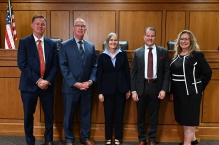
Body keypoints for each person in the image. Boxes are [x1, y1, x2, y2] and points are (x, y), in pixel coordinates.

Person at [17, 15, 59, 145]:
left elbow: (56, 65)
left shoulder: (52, 43)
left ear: (45, 26)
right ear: (32, 25)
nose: (40, 26)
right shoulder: (24, 42)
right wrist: (38, 80)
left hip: (48, 86)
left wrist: (47, 81)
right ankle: (30, 141)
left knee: (49, 115)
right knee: (29, 116)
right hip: (29, 86)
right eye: (37, 24)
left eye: (42, 24)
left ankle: (49, 140)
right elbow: (22, 64)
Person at [169, 30, 212, 145]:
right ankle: (192, 141)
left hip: (191, 94)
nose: (184, 41)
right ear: (178, 42)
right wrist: (172, 92)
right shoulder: (176, 56)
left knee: (189, 119)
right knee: (184, 119)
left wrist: (199, 87)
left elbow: (208, 72)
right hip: (179, 94)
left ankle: (186, 143)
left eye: (186, 39)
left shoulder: (196, 55)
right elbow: (172, 76)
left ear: (191, 41)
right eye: (181, 39)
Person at [59, 17, 97, 145]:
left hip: (87, 87)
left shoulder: (91, 46)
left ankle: (85, 137)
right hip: (71, 88)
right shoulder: (64, 45)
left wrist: (91, 81)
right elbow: (63, 66)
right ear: (73, 28)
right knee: (69, 115)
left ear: (85, 29)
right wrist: (75, 83)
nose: (80, 28)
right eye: (78, 25)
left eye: (83, 26)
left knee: (86, 114)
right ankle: (69, 139)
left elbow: (95, 66)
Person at [131, 27, 170, 145]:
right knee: (140, 115)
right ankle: (142, 139)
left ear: (155, 37)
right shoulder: (137, 52)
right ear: (144, 37)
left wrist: (164, 89)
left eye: (152, 36)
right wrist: (133, 90)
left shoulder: (163, 52)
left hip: (156, 87)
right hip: (141, 87)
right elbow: (133, 73)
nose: (150, 38)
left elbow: (167, 71)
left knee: (154, 115)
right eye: (148, 36)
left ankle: (152, 139)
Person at [97, 32, 131, 145]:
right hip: (107, 91)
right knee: (108, 115)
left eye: (115, 40)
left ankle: (118, 137)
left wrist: (128, 89)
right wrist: (100, 92)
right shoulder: (102, 56)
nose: (113, 42)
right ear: (107, 42)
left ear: (118, 42)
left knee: (119, 115)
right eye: (111, 40)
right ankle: (107, 137)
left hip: (121, 90)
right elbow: (99, 75)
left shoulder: (122, 54)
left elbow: (127, 72)